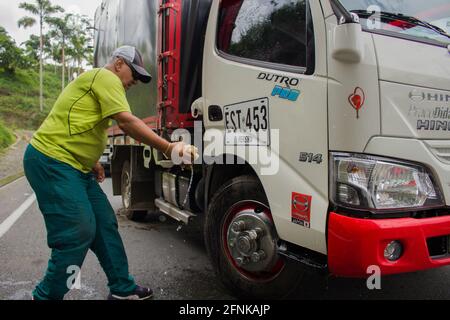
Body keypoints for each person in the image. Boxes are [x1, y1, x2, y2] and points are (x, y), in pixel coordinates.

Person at [24, 45, 194, 300]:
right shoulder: (105, 77)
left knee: (104, 223)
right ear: (118, 64)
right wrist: (169, 147)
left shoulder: (97, 83)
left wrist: (91, 159)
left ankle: (122, 288)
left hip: (75, 166)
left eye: (138, 78)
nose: (134, 81)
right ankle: (46, 296)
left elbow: (80, 121)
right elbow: (126, 122)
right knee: (77, 233)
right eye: (133, 74)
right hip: (52, 161)